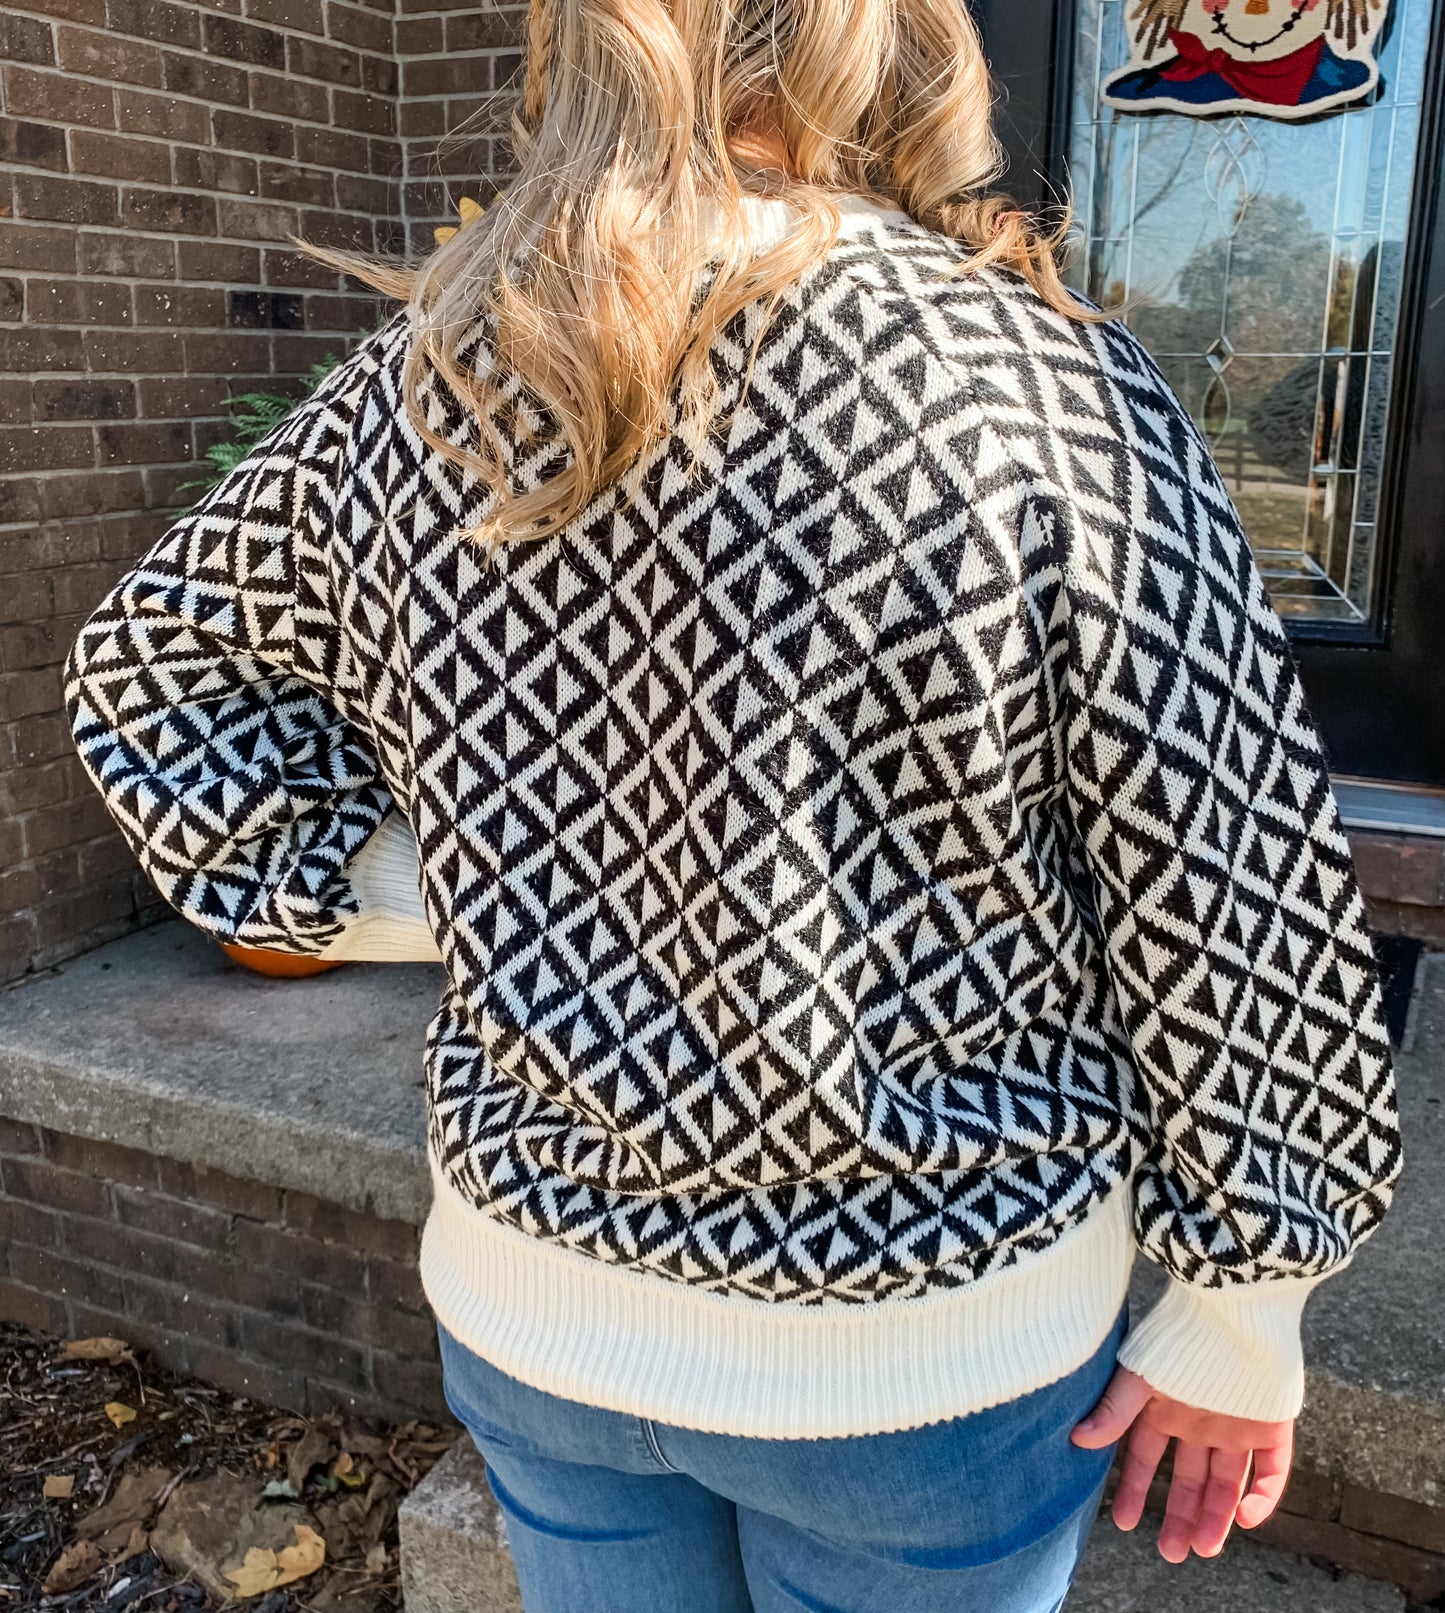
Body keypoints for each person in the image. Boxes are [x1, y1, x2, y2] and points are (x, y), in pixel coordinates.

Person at [64, 0, 1401, 1607]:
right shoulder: (1043, 380)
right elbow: (1220, 863)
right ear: (896, 46)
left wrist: (439, 893)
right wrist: (1243, 1302)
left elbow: (151, 678)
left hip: (539, 1300)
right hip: (928, 1332)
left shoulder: (420, 382)